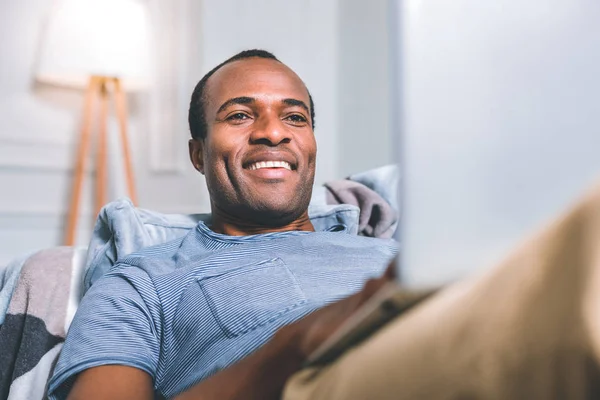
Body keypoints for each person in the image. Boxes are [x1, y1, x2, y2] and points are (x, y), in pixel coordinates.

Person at [47, 49, 398, 400]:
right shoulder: (142, 283)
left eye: (294, 117)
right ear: (199, 154)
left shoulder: (392, 252)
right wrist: (298, 343)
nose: (274, 132)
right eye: (240, 115)